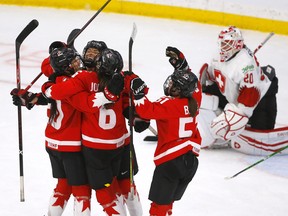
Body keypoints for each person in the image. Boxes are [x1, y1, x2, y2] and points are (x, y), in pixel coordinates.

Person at [42, 47, 145, 215]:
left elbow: (59, 89)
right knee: (124, 187)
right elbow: (136, 94)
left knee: (77, 190)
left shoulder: (80, 78)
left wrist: (45, 89)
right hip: (119, 142)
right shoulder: (119, 77)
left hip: (84, 146)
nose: (81, 60)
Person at [11, 46, 91, 216]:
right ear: (66, 66)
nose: (79, 63)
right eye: (74, 61)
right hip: (71, 146)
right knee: (81, 191)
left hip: (53, 143)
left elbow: (49, 93)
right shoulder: (72, 84)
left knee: (63, 186)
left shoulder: (55, 81)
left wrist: (30, 99)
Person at [122, 49, 202, 215]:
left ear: (179, 90)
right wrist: (182, 65)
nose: (170, 85)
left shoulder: (169, 104)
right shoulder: (196, 99)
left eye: (173, 85)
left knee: (158, 208)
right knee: (168, 204)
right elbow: (194, 82)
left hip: (171, 162)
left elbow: (146, 110)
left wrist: (138, 91)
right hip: (190, 162)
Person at [197, 26, 285, 155]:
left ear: (237, 44)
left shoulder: (246, 65)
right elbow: (211, 76)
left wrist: (234, 120)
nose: (223, 48)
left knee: (258, 134)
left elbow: (250, 98)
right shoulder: (218, 56)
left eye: (227, 44)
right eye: (222, 43)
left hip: (261, 98)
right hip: (233, 92)